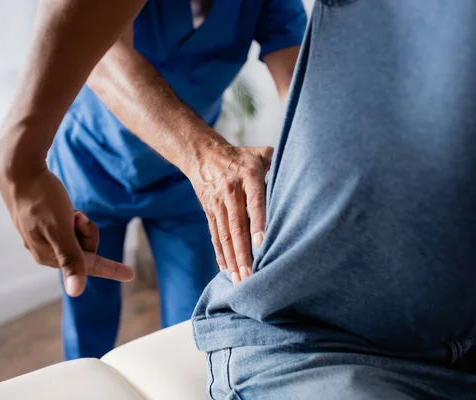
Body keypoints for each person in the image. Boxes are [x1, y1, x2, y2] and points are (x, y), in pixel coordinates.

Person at [0, 0, 307, 359]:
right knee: (86, 314)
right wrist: (207, 158)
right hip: (92, 168)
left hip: (183, 184)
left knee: (191, 330)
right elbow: (99, 54)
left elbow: (303, 92)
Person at [192, 0, 476, 398]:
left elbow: (300, 94)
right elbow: (96, 37)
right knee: (94, 304)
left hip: (455, 331)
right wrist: (204, 153)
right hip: (314, 343)